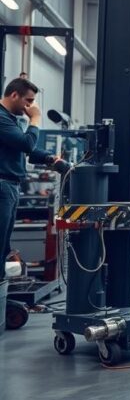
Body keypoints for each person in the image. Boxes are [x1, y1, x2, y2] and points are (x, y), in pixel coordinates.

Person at [0, 78, 63, 279]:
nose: (31, 106)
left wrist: (47, 157)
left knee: (3, 246)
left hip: (10, 187)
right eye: (28, 101)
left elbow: (24, 147)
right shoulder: (1, 118)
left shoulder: (10, 119)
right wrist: (35, 119)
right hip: (3, 186)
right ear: (14, 95)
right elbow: (26, 144)